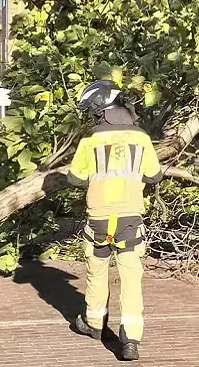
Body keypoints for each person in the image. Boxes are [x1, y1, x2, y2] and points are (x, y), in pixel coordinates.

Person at [68, 80, 163, 361]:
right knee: (131, 279)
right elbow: (154, 175)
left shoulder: (90, 142)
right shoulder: (142, 139)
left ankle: (95, 324)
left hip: (98, 219)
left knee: (97, 272)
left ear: (101, 110)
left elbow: (75, 178)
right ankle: (130, 338)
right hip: (130, 221)